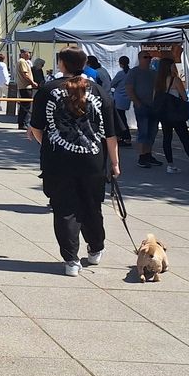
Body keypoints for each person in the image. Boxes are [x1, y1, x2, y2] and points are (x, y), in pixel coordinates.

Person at [28, 48, 119, 276]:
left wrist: (48, 144)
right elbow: (110, 133)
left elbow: (37, 128)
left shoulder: (47, 90)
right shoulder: (98, 91)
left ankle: (71, 260)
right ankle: (96, 248)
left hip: (58, 160)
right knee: (91, 205)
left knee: (64, 208)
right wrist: (115, 163)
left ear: (61, 64)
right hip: (93, 159)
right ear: (84, 63)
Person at [154, 52, 189, 175]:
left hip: (164, 114)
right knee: (185, 140)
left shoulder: (158, 81)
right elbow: (184, 97)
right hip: (175, 113)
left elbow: (155, 97)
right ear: (170, 67)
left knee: (167, 138)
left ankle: (170, 165)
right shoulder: (175, 80)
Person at [126, 51, 162, 168]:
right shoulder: (134, 72)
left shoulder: (153, 73)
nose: (148, 59)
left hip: (153, 106)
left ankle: (148, 154)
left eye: (149, 57)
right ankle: (141, 157)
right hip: (141, 106)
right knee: (143, 131)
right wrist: (137, 103)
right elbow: (129, 88)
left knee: (152, 131)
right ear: (140, 58)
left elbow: (158, 87)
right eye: (146, 57)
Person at [109, 56, 133, 146]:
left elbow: (112, 84)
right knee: (122, 118)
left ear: (120, 63)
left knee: (120, 120)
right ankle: (124, 137)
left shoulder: (121, 73)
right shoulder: (131, 73)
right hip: (127, 98)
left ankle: (125, 137)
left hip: (118, 98)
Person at [15, 49, 37, 130]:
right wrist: (32, 83)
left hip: (24, 86)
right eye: (28, 53)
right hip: (25, 86)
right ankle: (23, 123)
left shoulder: (22, 61)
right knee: (26, 106)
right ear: (23, 53)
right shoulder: (22, 62)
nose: (29, 55)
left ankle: (22, 122)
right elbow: (25, 74)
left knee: (25, 105)